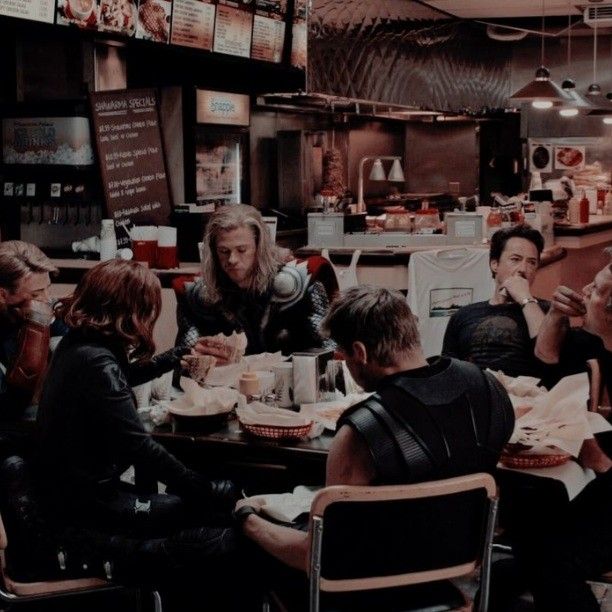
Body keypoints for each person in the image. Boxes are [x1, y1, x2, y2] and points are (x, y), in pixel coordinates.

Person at [234, 286, 514, 571]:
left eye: (343, 354)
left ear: (360, 352)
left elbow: (319, 559)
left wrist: (247, 519)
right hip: (459, 569)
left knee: (236, 546)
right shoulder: (490, 389)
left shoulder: (360, 433)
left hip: (372, 587)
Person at [32, 260, 247, 607]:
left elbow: (122, 377)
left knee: (207, 505)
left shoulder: (80, 345)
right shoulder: (96, 362)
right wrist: (203, 487)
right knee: (219, 513)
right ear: (130, 310)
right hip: (91, 506)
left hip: (70, 495)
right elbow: (140, 449)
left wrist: (178, 356)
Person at [175, 204, 333, 361]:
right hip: (227, 384)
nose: (232, 260)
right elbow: (181, 363)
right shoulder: (199, 297)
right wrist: (200, 361)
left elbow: (333, 354)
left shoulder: (299, 284)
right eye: (224, 251)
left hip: (296, 382)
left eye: (242, 250)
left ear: (260, 247)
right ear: (213, 251)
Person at [442, 224, 558, 384]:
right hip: (479, 397)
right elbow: (449, 375)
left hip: (530, 399)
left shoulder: (549, 311)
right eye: (515, 259)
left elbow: (548, 357)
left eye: (532, 262)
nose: (523, 269)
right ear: (494, 264)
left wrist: (525, 298)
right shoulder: (463, 316)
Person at [0, 240, 66, 443]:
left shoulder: (37, 310)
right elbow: (8, 411)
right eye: (37, 294)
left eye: (47, 289)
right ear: (3, 294)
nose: (46, 299)